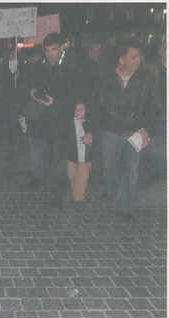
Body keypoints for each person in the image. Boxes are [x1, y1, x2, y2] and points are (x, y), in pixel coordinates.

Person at [95, 41, 162, 221]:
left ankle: (124, 207)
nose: (138, 60)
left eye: (139, 56)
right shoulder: (106, 78)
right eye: (133, 56)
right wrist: (95, 128)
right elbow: (96, 105)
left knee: (131, 172)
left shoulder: (146, 78)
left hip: (135, 133)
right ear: (121, 59)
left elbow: (157, 108)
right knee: (109, 167)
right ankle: (110, 188)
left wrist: (147, 130)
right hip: (110, 133)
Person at [26, 33, 83, 209]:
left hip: (59, 120)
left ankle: (57, 194)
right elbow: (26, 83)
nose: (50, 54)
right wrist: (32, 91)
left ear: (61, 48)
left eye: (54, 49)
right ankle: (36, 176)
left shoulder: (72, 68)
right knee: (36, 151)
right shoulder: (39, 65)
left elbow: (77, 95)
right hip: (39, 118)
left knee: (59, 159)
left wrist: (55, 102)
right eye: (47, 50)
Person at [144, 40, 166, 180]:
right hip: (158, 112)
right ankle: (157, 171)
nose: (167, 50)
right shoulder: (151, 69)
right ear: (159, 51)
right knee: (155, 142)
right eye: (164, 48)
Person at [67, 103, 96, 203]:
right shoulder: (70, 124)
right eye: (76, 109)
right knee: (72, 175)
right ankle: (75, 191)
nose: (79, 112)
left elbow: (96, 136)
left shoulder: (90, 123)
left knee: (82, 177)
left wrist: (91, 138)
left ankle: (78, 198)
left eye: (82, 109)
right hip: (73, 155)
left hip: (85, 156)